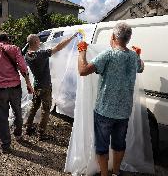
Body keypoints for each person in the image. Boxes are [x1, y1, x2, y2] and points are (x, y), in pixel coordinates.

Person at [77, 23, 144, 176]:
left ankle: (104, 175)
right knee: (119, 145)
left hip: (105, 111)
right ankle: (115, 172)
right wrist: (138, 55)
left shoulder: (109, 54)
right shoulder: (133, 56)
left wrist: (82, 51)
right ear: (129, 38)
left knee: (102, 146)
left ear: (113, 37)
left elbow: (83, 70)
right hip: (124, 111)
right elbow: (141, 68)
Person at [0, 33, 34, 154]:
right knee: (17, 111)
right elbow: (23, 67)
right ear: (8, 39)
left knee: (2, 117)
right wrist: (28, 84)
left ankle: (5, 145)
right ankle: (18, 134)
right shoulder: (15, 49)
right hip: (15, 88)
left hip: (0, 89)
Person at [25, 33, 77, 141]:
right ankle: (41, 133)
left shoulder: (27, 55)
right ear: (35, 42)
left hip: (37, 86)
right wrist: (71, 38)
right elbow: (58, 47)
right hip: (45, 87)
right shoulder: (41, 54)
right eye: (39, 41)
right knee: (46, 110)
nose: (40, 42)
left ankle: (28, 128)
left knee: (34, 107)